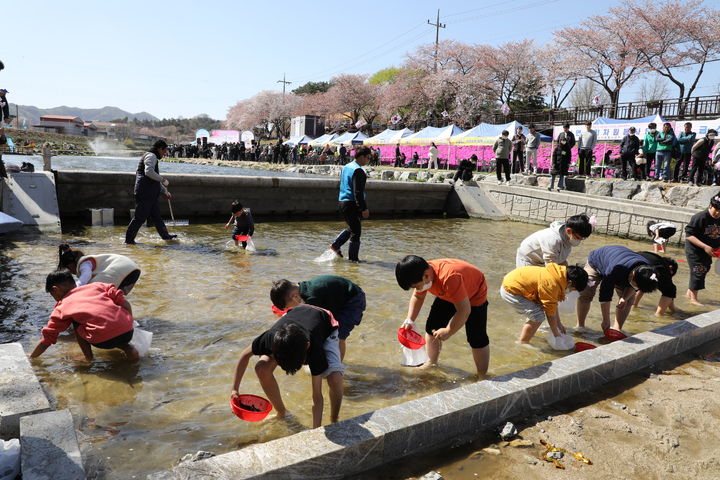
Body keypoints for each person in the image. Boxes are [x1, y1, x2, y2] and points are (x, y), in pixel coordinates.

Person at [230, 304, 344, 428]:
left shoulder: (315, 352)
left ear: (307, 347)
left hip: (325, 320)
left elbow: (317, 397)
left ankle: (334, 419)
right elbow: (244, 356)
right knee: (261, 368)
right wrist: (235, 389)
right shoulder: (270, 338)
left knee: (335, 378)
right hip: (295, 314)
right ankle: (282, 412)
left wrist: (315, 430)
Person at [395, 256, 490, 376]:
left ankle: (482, 375)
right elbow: (418, 297)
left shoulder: (449, 278)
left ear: (426, 276)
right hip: (448, 292)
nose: (417, 290)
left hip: (474, 293)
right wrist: (410, 320)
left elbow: (464, 310)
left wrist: (449, 330)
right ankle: (431, 362)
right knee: (432, 327)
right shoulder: (421, 272)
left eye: (416, 286)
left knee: (476, 338)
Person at [29, 270, 138, 362]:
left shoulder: (62, 306)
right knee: (112, 320)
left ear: (55, 289)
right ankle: (129, 349)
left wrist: (31, 358)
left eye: (52, 295)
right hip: (128, 332)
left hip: (103, 341)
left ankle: (88, 358)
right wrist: (129, 323)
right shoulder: (98, 285)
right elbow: (125, 304)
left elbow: (47, 339)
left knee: (77, 323)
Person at [270, 275, 365, 359]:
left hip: (353, 299)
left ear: (295, 297)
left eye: (289, 307)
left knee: (339, 335)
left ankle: (337, 368)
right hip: (338, 297)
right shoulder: (302, 290)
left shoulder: (312, 298)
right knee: (329, 332)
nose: (291, 309)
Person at [576, 245, 660, 331]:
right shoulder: (615, 270)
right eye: (636, 285)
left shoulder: (647, 271)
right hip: (597, 262)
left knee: (628, 300)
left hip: (622, 269)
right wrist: (606, 320)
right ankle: (580, 326)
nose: (636, 288)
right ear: (633, 274)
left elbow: (635, 287)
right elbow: (605, 295)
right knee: (586, 293)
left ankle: (617, 329)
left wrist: (625, 298)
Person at [501, 263, 588, 344]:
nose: (570, 291)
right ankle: (523, 343)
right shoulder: (552, 284)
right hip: (511, 290)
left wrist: (559, 324)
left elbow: (552, 304)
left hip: (516, 283)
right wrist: (556, 334)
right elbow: (550, 314)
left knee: (536, 313)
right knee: (538, 317)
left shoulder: (559, 274)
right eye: (573, 289)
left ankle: (529, 332)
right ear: (569, 283)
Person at [124, 140, 177, 244]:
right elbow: (148, 172)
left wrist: (164, 191)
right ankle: (128, 241)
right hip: (145, 193)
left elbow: (153, 179)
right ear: (159, 149)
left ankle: (166, 236)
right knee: (139, 218)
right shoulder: (151, 156)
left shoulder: (152, 157)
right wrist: (162, 179)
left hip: (150, 193)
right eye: (164, 150)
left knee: (157, 217)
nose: (165, 153)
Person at [329, 146, 370, 262]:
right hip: (351, 203)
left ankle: (336, 245)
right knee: (356, 232)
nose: (369, 160)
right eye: (368, 157)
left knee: (353, 227)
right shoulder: (358, 170)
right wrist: (363, 208)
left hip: (342, 201)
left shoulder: (347, 167)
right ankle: (353, 260)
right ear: (361, 157)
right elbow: (358, 192)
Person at [57, 243, 141, 295]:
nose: (71, 272)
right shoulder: (90, 261)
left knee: (89, 291)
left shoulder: (83, 264)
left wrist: (75, 287)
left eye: (68, 269)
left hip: (121, 269)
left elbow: (86, 275)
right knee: (115, 297)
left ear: (71, 264)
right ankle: (126, 319)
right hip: (133, 269)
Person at [515, 214, 594, 267]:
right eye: (579, 238)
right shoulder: (552, 239)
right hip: (529, 259)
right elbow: (551, 267)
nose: (580, 240)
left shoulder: (567, 235)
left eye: (583, 238)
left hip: (543, 259)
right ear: (569, 231)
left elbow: (561, 260)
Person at [684, 194, 720, 305]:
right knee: (698, 270)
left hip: (709, 250)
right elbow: (689, 235)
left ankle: (688, 293)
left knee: (705, 268)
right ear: (710, 206)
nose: (718, 213)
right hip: (695, 249)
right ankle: (693, 299)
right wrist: (705, 246)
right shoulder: (700, 217)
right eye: (716, 209)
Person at [632, 252, 678, 316]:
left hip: (633, 261)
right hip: (645, 265)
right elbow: (669, 291)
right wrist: (675, 311)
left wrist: (672, 309)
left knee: (643, 283)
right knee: (670, 290)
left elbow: (642, 286)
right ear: (671, 268)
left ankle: (633, 306)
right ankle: (659, 315)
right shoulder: (663, 266)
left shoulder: (653, 257)